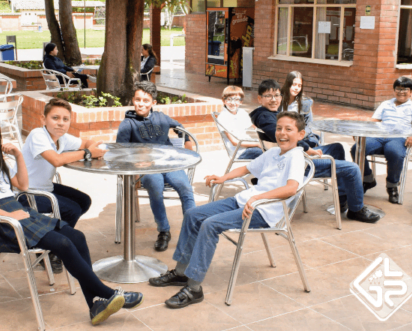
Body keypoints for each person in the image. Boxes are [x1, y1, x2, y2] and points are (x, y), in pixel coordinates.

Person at [0, 111, 142, 325]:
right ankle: (108, 293)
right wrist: (8, 215)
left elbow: (23, 186)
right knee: (62, 243)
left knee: (77, 237)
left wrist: (18, 155)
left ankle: (95, 304)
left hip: (15, 212)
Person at [149, 112, 307, 308]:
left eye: (288, 129)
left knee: (210, 225)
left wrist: (258, 197)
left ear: (301, 134)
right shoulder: (273, 152)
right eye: (279, 128)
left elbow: (291, 188)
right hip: (246, 201)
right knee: (193, 214)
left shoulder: (296, 157)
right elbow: (246, 168)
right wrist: (224, 178)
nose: (282, 133)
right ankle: (181, 273)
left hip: (264, 211)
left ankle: (194, 288)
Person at [250, 79, 379, 223]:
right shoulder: (265, 117)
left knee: (337, 148)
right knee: (353, 168)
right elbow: (282, 135)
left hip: (294, 155)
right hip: (295, 166)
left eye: (277, 95)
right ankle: (356, 210)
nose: (274, 100)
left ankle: (342, 198)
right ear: (260, 98)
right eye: (269, 96)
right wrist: (308, 148)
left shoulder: (270, 114)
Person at [22, 98, 105, 272]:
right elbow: (56, 160)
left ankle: (50, 239)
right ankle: (50, 246)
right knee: (71, 209)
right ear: (43, 120)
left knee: (83, 201)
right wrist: (88, 153)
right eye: (55, 118)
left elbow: (85, 143)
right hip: (26, 193)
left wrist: (91, 147)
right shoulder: (38, 135)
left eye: (65, 119)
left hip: (44, 187)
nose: (60, 123)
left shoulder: (63, 138)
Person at [116, 81, 197, 252]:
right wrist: (136, 161)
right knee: (155, 184)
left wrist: (187, 141)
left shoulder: (161, 117)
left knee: (185, 187)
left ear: (153, 103)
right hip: (146, 168)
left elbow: (179, 127)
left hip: (169, 163)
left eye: (146, 101)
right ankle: (164, 231)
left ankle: (193, 230)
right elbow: (120, 150)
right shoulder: (128, 123)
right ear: (133, 100)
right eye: (138, 99)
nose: (141, 104)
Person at [351, 76, 412, 204]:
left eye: (405, 89)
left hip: (399, 137)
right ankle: (367, 179)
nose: (401, 92)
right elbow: (374, 122)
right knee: (357, 148)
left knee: (394, 152)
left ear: (411, 91)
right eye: (398, 89)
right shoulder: (386, 104)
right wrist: (361, 131)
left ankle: (392, 186)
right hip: (379, 136)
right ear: (394, 90)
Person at [216, 86, 262, 160]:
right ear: (224, 100)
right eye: (229, 99)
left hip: (249, 145)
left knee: (277, 148)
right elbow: (234, 142)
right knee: (269, 153)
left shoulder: (241, 112)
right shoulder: (223, 117)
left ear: (241, 101)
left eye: (236, 100)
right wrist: (258, 144)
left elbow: (256, 128)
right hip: (239, 151)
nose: (233, 103)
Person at [280, 71, 323, 149]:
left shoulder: (305, 103)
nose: (297, 88)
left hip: (301, 138)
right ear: (288, 84)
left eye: (299, 86)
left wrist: (298, 136)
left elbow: (309, 125)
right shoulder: (277, 100)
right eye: (294, 84)